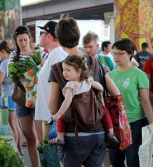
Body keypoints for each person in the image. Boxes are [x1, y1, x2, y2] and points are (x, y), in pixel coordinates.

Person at [48, 18, 120, 167]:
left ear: (59, 41)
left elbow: (53, 108)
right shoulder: (95, 62)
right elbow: (115, 92)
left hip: (73, 134)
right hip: (98, 131)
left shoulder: (58, 68)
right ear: (78, 36)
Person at [50, 55, 118, 145]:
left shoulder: (70, 86)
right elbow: (100, 87)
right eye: (64, 70)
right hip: (91, 108)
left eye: (68, 70)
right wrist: (100, 91)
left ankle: (60, 137)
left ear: (78, 72)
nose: (64, 73)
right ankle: (110, 134)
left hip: (76, 113)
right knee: (105, 112)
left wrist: (58, 114)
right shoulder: (87, 80)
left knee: (61, 119)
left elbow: (67, 100)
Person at [108, 38, 153, 167]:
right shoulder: (109, 75)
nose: (116, 57)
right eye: (114, 53)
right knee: (115, 161)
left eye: (120, 53)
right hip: (115, 124)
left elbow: (145, 101)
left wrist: (152, 124)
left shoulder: (139, 74)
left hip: (134, 123)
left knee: (133, 160)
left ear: (130, 54)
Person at [8, 26, 47, 167]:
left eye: (25, 40)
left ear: (30, 39)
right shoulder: (14, 56)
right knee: (30, 138)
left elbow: (48, 70)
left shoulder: (39, 53)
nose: (23, 43)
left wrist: (33, 71)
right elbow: (11, 76)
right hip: (22, 100)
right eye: (20, 41)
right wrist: (28, 76)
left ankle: (47, 163)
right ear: (16, 42)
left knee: (41, 139)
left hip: (38, 101)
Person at [35, 20, 67, 144]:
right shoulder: (52, 54)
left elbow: (62, 85)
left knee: (52, 159)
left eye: (41, 33)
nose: (39, 36)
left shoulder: (58, 54)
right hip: (49, 116)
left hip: (53, 118)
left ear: (49, 36)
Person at [0, 40, 23, 155]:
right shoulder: (15, 61)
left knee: (12, 125)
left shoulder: (4, 63)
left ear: (2, 51)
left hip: (7, 96)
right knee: (16, 124)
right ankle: (20, 149)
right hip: (17, 95)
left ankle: (15, 152)